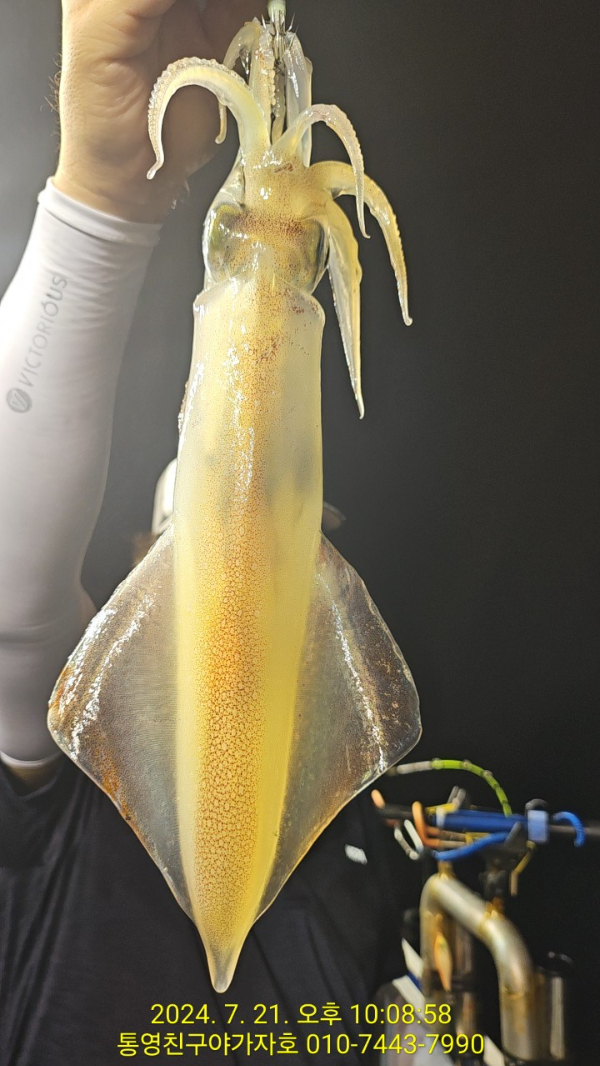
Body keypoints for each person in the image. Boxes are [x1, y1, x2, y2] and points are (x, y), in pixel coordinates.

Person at [0, 2, 414, 1062]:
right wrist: (103, 193)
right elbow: (12, 605)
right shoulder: (75, 804)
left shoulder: (352, 857)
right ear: (142, 570)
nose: (243, 574)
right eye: (182, 548)